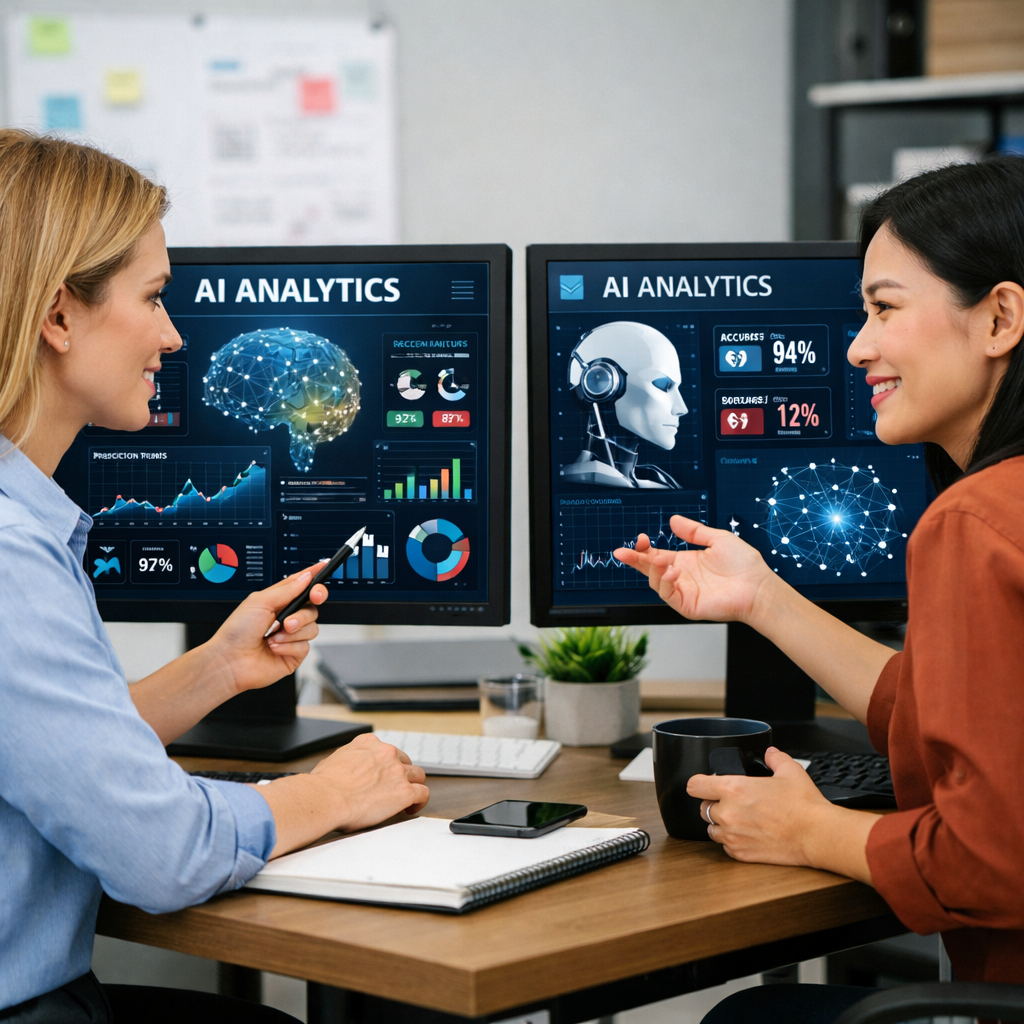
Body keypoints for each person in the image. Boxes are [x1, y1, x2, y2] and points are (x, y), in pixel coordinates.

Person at [0, 130, 429, 1022]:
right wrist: (331, 793)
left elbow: (48, 750)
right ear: (58, 317)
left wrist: (219, 668)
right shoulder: (10, 555)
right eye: (154, 297)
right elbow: (162, 855)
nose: (171, 335)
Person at [615, 156, 1024, 1022]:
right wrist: (761, 598)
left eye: (885, 309)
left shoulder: (976, 523)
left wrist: (812, 830)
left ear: (1000, 318)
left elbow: (991, 858)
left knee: (748, 1018)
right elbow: (936, 711)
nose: (857, 347)